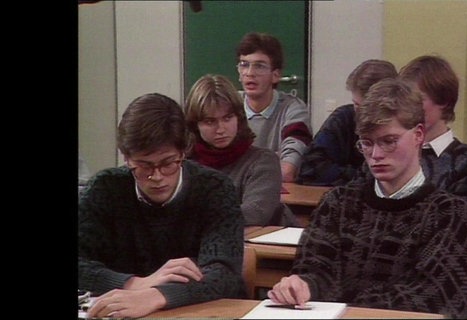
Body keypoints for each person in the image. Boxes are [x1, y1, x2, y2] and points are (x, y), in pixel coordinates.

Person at [267, 78, 467, 318]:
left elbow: (434, 297)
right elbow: (315, 270)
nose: (376, 155)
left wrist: (349, 305)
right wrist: (301, 285)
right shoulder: (337, 203)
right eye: (366, 143)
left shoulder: (448, 213)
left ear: (418, 134)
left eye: (389, 141)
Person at [78, 93, 246, 319]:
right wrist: (134, 284)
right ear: (127, 158)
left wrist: (156, 295)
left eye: (168, 163)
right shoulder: (106, 188)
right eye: (143, 166)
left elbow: (224, 274)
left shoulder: (215, 189)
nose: (156, 177)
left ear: (183, 153)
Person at [184, 74, 297, 227]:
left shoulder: (262, 161)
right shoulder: (183, 163)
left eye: (227, 118)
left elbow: (255, 213)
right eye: (210, 121)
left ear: (239, 117)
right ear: (195, 125)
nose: (221, 129)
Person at [398, 54, 467, 223]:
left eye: (419, 99)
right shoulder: (396, 152)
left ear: (444, 101)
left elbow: (456, 223)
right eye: (406, 99)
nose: (409, 107)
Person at [296, 59, 397, 186]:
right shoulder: (343, 119)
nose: (362, 114)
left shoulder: (404, 128)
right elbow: (310, 169)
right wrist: (360, 178)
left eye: (368, 107)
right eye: (357, 105)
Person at [235, 32, 313, 182]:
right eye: (244, 65)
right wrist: (271, 160)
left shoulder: (294, 110)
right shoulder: (229, 105)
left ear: (275, 75)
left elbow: (287, 172)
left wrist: (240, 166)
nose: (250, 73)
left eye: (260, 66)